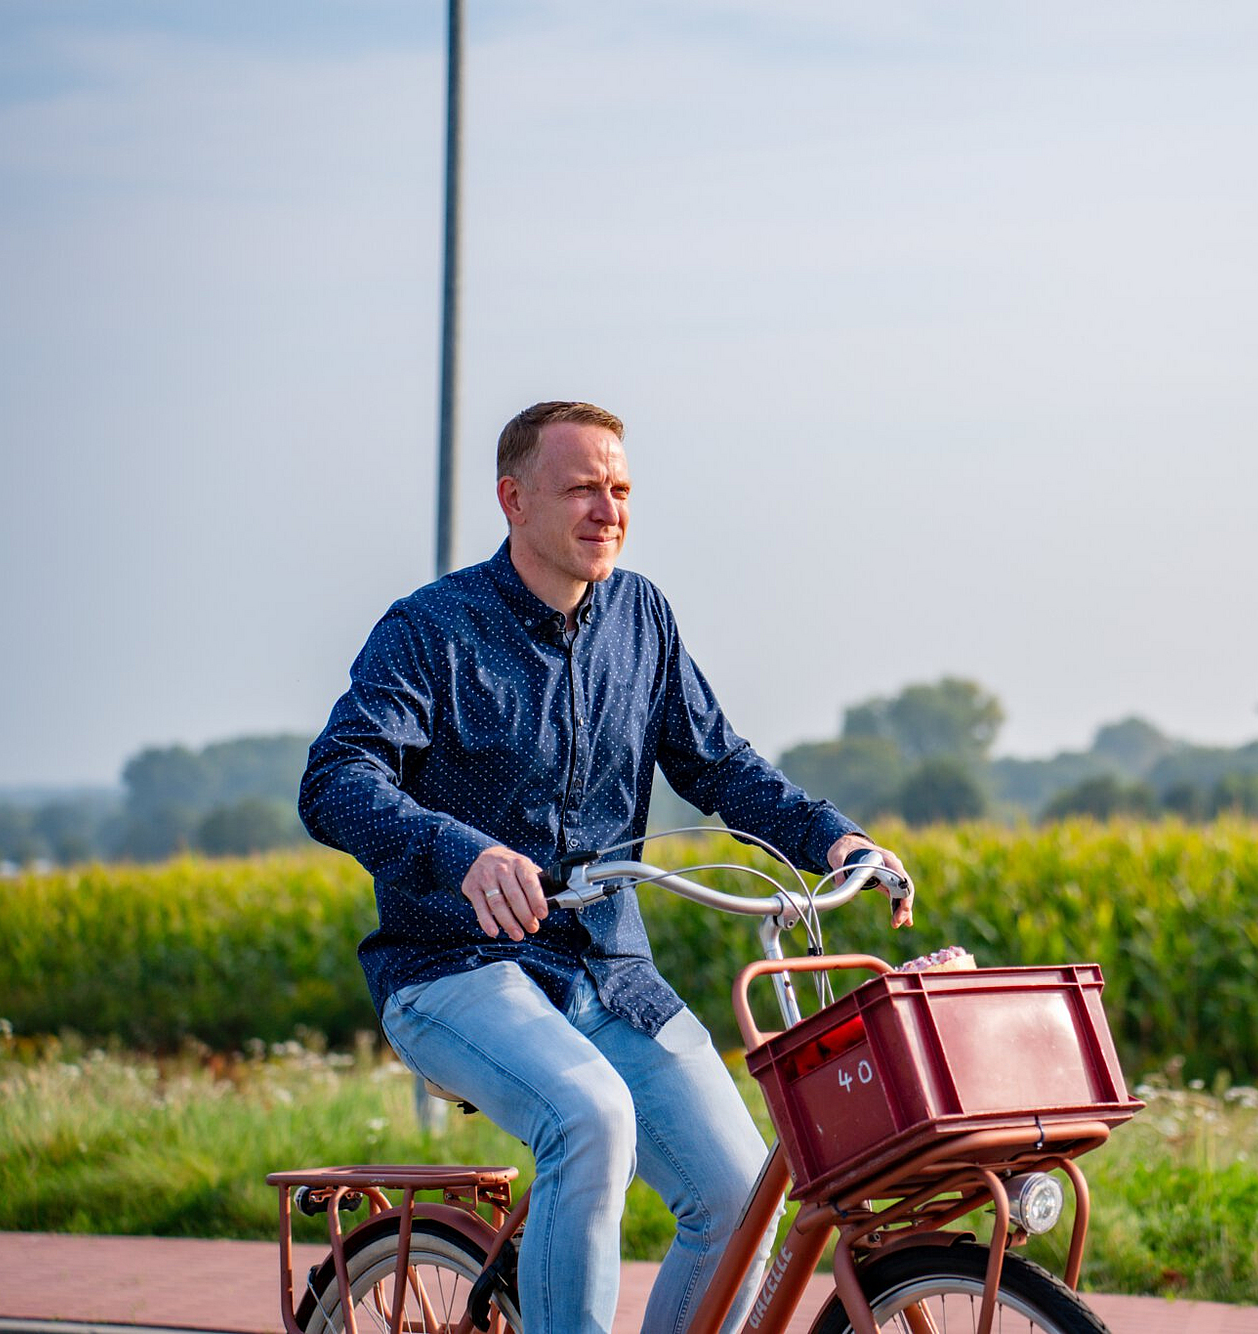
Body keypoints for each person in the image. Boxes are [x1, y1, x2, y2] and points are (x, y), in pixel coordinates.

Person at [299, 400, 908, 1334]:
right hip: (453, 969)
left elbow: (717, 763)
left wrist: (832, 839)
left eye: (620, 489)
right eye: (581, 487)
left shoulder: (641, 616)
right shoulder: (431, 630)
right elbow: (337, 779)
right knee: (591, 1119)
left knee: (745, 1195)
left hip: (612, 977)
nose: (606, 509)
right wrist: (459, 850)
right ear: (514, 499)